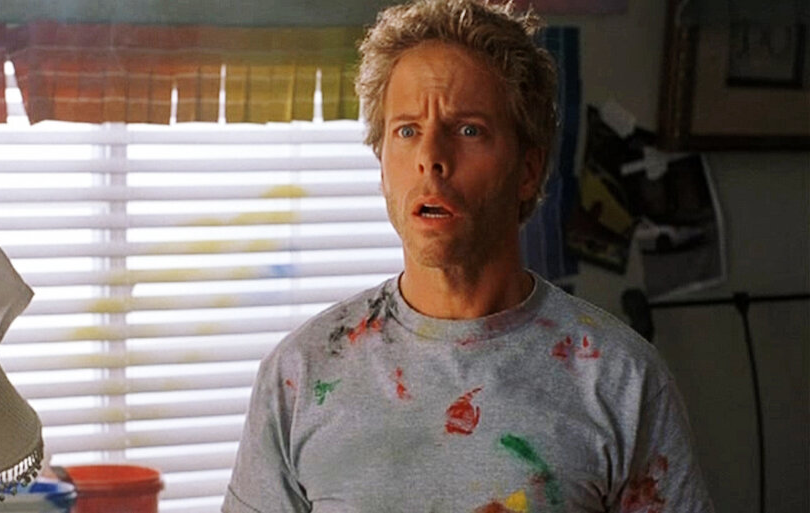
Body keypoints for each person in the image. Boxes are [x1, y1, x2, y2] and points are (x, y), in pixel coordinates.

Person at [223, 0, 714, 511]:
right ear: (382, 166)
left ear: (528, 171)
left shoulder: (622, 381)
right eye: (407, 130)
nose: (430, 158)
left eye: (468, 130)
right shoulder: (300, 375)